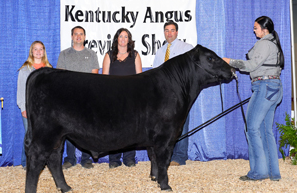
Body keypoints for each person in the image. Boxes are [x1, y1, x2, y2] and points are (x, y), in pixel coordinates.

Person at [223, 16, 284, 181]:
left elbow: (251, 66)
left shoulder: (264, 43)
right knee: (265, 130)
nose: (254, 30)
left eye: (256, 27)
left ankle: (259, 171)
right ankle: (273, 172)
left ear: (265, 29)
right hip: (273, 87)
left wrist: (230, 61)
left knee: (251, 128)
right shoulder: (273, 44)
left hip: (264, 87)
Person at [57, 26, 100, 169]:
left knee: (87, 129)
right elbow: (60, 77)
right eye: (76, 34)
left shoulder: (92, 54)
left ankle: (86, 158)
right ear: (71, 36)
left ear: (85, 37)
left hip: (87, 98)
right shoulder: (64, 54)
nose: (78, 36)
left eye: (81, 34)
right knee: (68, 129)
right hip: (69, 98)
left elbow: (94, 77)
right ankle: (70, 158)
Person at [153, 20, 194, 166]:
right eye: (166, 30)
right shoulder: (160, 51)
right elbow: (156, 73)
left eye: (172, 30)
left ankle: (180, 156)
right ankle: (167, 155)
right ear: (164, 33)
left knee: (181, 125)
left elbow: (191, 71)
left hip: (180, 94)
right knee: (166, 126)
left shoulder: (186, 48)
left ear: (177, 32)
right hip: (164, 96)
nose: (169, 33)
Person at [102, 28, 143, 169]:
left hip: (131, 99)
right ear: (117, 39)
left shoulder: (135, 55)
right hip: (113, 99)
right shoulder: (109, 55)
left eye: (126, 36)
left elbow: (140, 79)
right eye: (121, 36)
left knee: (131, 129)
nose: (123, 39)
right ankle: (114, 159)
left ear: (129, 40)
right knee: (113, 129)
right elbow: (104, 79)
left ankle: (129, 157)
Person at [17, 41, 52, 169]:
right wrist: (23, 107)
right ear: (31, 51)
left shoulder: (49, 69)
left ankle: (42, 161)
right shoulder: (25, 69)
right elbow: (21, 90)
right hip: (30, 107)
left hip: (45, 109)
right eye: (35, 49)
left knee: (44, 136)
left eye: (41, 49)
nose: (38, 52)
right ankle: (26, 162)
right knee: (30, 135)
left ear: (44, 51)